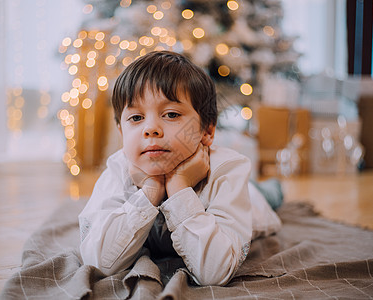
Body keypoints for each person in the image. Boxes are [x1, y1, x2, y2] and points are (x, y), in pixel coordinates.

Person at [78, 51, 282, 286]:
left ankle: (272, 188)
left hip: (254, 201)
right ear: (121, 131)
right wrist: (150, 191)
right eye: (136, 118)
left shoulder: (228, 169)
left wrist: (179, 187)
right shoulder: (119, 168)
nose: (151, 129)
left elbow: (215, 272)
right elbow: (99, 261)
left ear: (207, 131)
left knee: (267, 193)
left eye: (171, 114)